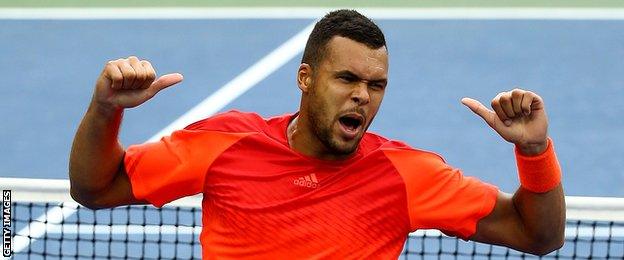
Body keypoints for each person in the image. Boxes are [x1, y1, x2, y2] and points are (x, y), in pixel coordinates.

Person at [69, 9, 564, 258]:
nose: (362, 97)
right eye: (347, 79)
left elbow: (538, 235)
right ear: (306, 78)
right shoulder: (224, 145)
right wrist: (105, 109)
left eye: (376, 85)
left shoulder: (408, 175)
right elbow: (95, 187)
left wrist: (535, 149)